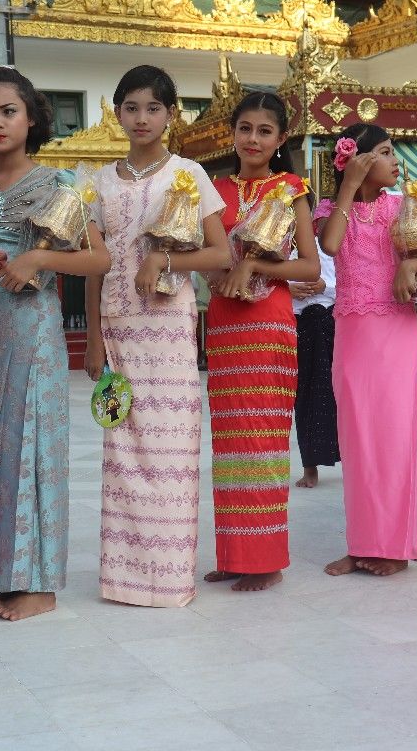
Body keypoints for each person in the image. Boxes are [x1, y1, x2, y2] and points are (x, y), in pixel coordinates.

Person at [0, 67, 110, 621]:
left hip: (33, 329)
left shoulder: (58, 184)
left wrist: (37, 258)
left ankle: (38, 582)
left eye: (8, 111)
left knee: (31, 445)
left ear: (33, 117)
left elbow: (99, 259)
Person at [84, 65, 229, 606]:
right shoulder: (97, 182)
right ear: (116, 112)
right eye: (131, 107)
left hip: (168, 331)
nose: (141, 118)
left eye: (153, 108)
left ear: (171, 114)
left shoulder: (190, 174)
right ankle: (124, 580)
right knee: (121, 450)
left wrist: (166, 256)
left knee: (170, 455)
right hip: (119, 330)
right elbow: (94, 265)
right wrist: (94, 338)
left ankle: (168, 580)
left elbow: (220, 254)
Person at [318, 123, 417, 577]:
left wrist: (414, 264)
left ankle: (396, 546)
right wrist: (347, 189)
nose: (394, 160)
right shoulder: (329, 210)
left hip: (397, 335)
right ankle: (362, 543)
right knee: (358, 439)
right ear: (357, 161)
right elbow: (330, 245)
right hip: (353, 336)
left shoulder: (404, 208)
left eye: (392, 151)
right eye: (383, 152)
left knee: (397, 439)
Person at [203, 92, 319, 591]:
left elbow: (311, 268)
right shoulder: (212, 188)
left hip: (268, 322)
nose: (252, 139)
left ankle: (264, 558)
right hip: (224, 321)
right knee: (229, 443)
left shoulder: (291, 188)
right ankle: (234, 552)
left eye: (264, 131)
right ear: (232, 133)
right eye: (244, 128)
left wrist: (254, 264)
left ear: (280, 139)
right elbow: (203, 252)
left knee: (262, 438)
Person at [291, 210, 340, 489]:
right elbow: (268, 284)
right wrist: (288, 290)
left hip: (328, 323)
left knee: (338, 395)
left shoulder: (327, 250)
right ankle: (310, 467)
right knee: (304, 396)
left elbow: (343, 284)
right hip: (298, 325)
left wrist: (324, 285)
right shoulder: (280, 248)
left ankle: (353, 460)